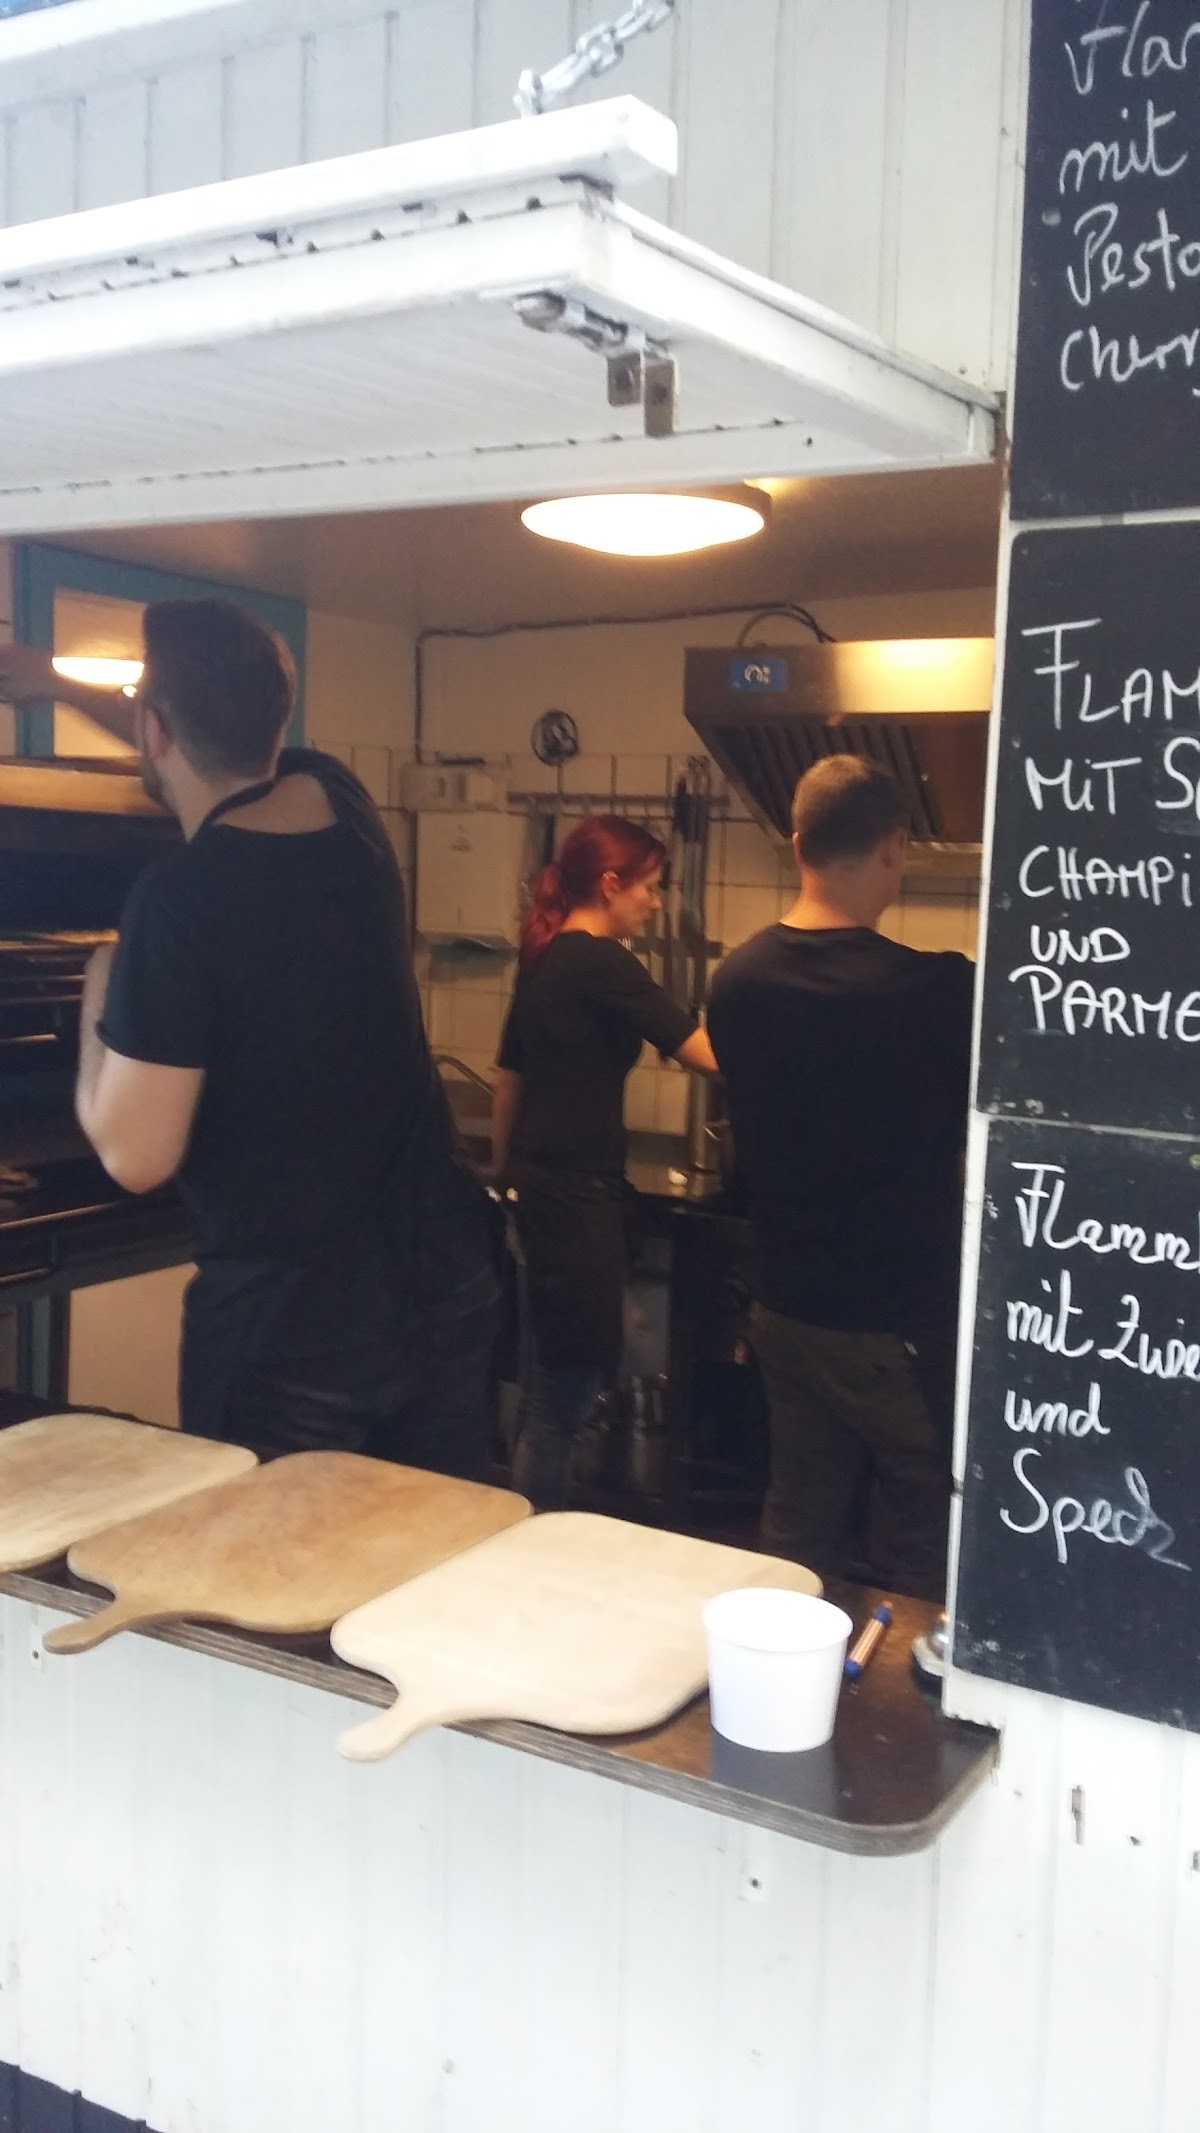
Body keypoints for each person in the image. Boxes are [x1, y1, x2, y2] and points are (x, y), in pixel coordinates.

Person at [0, 604, 499, 1472]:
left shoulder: (179, 900)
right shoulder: (344, 805)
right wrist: (61, 684)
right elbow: (207, 728)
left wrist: (101, 983)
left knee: (272, 1559)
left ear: (154, 731)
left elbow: (134, 1155)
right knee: (428, 1547)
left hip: (294, 1332)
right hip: (444, 1290)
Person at [706, 755, 973, 1599]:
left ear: (798, 846)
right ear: (894, 847)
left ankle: (773, 1670)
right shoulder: (940, 991)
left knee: (796, 1530)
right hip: (899, 1321)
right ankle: (911, 1681)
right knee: (929, 1541)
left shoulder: (736, 981)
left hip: (788, 1309)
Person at [492, 816, 717, 1509]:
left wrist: (507, 1174)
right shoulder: (602, 961)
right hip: (574, 1201)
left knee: (542, 1386)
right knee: (563, 1397)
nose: (655, 901)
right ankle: (537, 1537)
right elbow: (703, 1053)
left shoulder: (546, 957)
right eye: (649, 886)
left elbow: (508, 1078)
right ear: (611, 884)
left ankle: (521, 1528)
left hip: (541, 1194)